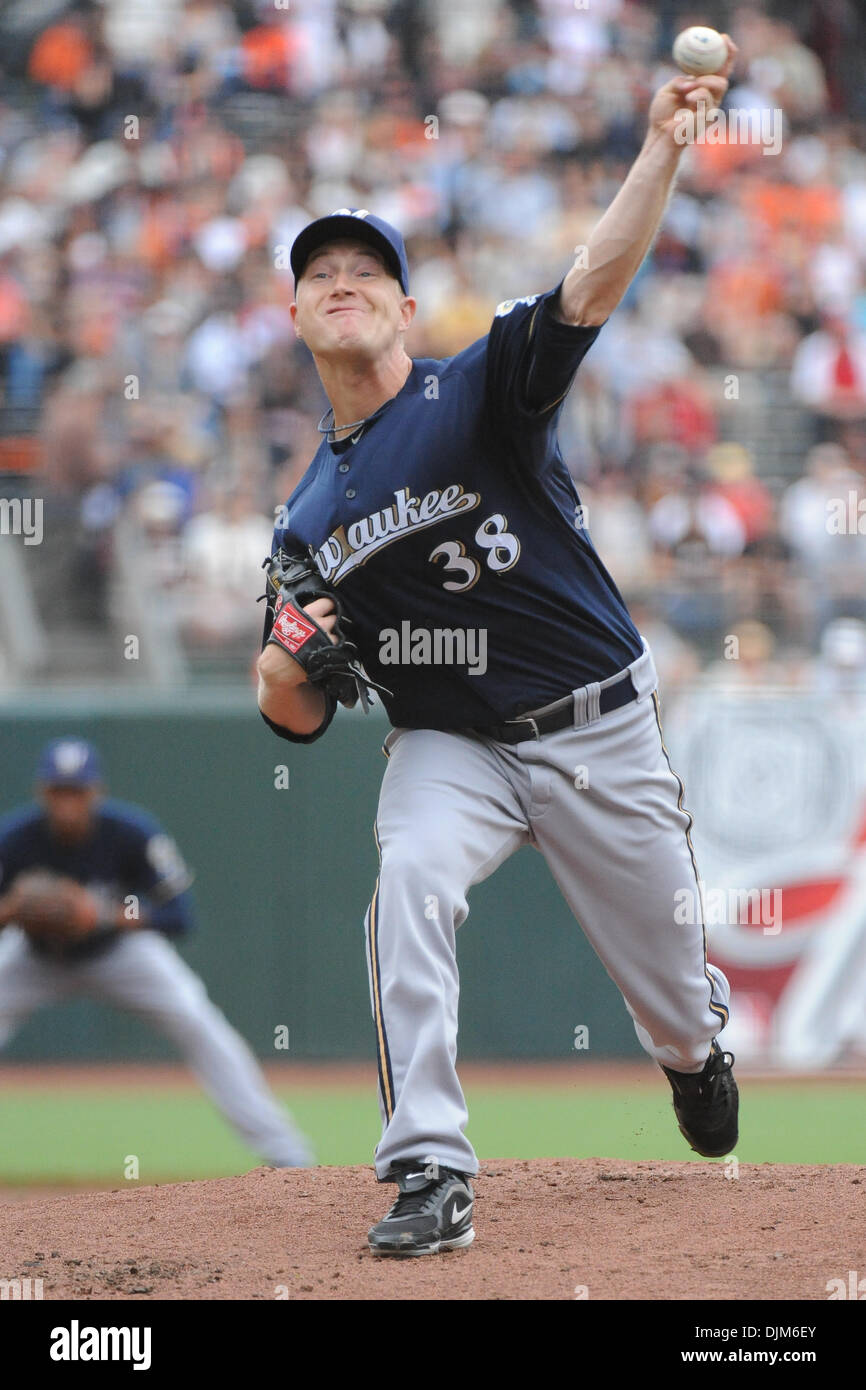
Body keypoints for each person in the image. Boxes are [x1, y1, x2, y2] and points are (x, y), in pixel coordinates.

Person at [257, 42, 740, 1257]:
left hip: (597, 722)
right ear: (296, 312)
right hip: (449, 746)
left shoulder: (475, 391)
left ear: (409, 310)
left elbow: (593, 278)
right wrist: (290, 666)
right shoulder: (303, 517)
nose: (343, 280)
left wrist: (662, 145)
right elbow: (290, 710)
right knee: (407, 883)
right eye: (320, 271)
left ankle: (691, 1052)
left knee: (677, 1008)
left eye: (368, 269)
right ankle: (429, 1166)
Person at [0, 738, 314, 1170]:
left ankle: (288, 1157)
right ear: (42, 793)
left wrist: (107, 914)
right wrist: (13, 910)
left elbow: (178, 916)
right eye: (58, 792)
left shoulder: (131, 831)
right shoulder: (14, 839)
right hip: (34, 959)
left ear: (97, 793)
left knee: (198, 1021)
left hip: (120, 955)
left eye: (77, 792)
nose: (68, 804)